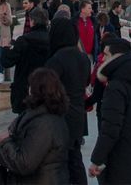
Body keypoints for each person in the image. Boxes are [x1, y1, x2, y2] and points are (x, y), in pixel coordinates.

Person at [88, 37, 131, 185]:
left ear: (116, 57)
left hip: (119, 163)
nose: (102, 58)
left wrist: (96, 160)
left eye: (106, 54)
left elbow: (110, 130)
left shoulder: (116, 87)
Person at [0, 67, 71, 185]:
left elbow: (25, 164)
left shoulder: (44, 124)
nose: (28, 89)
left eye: (31, 86)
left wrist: (5, 142)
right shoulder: (40, 117)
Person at [45, 16, 92, 185]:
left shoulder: (56, 59)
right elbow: (87, 82)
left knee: (60, 162)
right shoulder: (83, 58)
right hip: (78, 114)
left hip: (61, 115)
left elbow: (47, 88)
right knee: (75, 158)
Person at [4, 7, 52, 114]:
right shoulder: (52, 40)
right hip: (47, 89)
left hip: (25, 89)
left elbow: (7, 61)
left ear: (32, 21)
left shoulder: (23, 40)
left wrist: (6, 48)